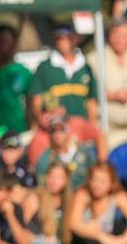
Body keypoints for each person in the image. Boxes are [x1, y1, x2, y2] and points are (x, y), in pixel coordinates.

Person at [29, 26, 98, 129]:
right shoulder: (45, 67)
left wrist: (92, 127)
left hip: (81, 127)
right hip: (54, 129)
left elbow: (91, 102)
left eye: (68, 38)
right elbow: (36, 100)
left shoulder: (86, 67)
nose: (64, 42)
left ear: (76, 39)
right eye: (60, 38)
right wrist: (43, 116)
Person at [68, 163, 127, 244]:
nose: (97, 185)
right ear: (89, 181)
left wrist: (120, 241)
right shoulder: (82, 194)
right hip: (88, 242)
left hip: (113, 241)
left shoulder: (119, 197)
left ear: (111, 184)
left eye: (103, 181)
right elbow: (73, 225)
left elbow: (115, 241)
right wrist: (101, 237)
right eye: (95, 180)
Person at [0, 24, 32, 139]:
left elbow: (30, 103)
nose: (4, 46)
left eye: (8, 42)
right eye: (0, 42)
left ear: (14, 43)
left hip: (18, 129)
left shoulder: (24, 72)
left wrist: (31, 127)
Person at [89, 16, 127, 150]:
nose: (120, 39)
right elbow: (89, 94)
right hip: (109, 132)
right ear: (109, 35)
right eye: (116, 34)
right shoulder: (95, 59)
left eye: (124, 35)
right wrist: (113, 96)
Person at [34, 115, 97, 189]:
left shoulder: (84, 152)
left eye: (62, 129)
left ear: (69, 131)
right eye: (53, 131)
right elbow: (42, 187)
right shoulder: (45, 160)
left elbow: (94, 174)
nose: (58, 134)